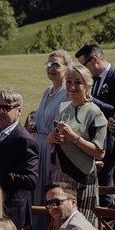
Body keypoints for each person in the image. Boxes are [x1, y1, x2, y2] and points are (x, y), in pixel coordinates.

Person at [0, 88, 39, 230]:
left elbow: (30, 180)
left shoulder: (24, 140)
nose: (1, 111)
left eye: (6, 107)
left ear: (19, 111)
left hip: (11, 211)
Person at [48, 65, 109, 211]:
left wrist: (74, 138)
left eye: (78, 82)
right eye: (69, 82)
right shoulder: (62, 108)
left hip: (82, 176)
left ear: (87, 85)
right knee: (60, 223)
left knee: (83, 226)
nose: (72, 87)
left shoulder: (95, 113)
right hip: (59, 173)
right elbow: (51, 142)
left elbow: (100, 153)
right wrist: (52, 137)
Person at [28, 51, 72, 200]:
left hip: (53, 151)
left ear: (67, 67)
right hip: (38, 148)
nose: (51, 68)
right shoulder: (47, 91)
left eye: (56, 65)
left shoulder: (68, 92)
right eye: (48, 64)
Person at [75, 44, 115, 118]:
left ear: (95, 60)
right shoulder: (93, 77)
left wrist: (89, 99)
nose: (83, 70)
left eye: (84, 66)